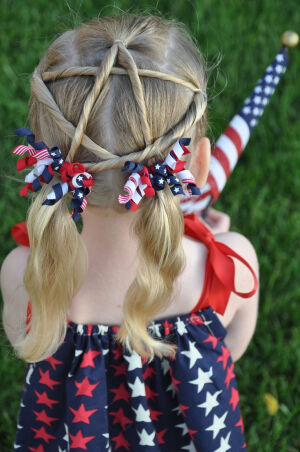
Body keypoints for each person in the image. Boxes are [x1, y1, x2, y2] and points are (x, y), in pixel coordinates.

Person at [0, 13, 259, 451]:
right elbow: (231, 348)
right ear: (198, 164)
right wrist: (210, 241)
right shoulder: (228, 266)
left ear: (47, 164)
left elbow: (22, 337)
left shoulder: (24, 273)